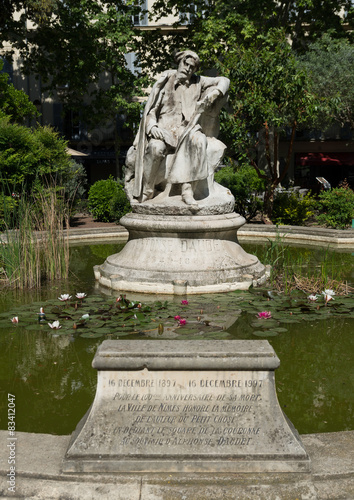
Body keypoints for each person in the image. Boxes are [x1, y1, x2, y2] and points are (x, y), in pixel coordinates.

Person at [126, 50, 230, 205]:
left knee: (199, 140)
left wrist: (215, 93)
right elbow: (151, 110)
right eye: (185, 64)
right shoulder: (165, 81)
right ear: (179, 63)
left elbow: (224, 80)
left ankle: (187, 190)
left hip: (186, 129)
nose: (188, 68)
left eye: (192, 67)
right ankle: (148, 190)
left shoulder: (198, 81)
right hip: (163, 130)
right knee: (155, 148)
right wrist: (152, 126)